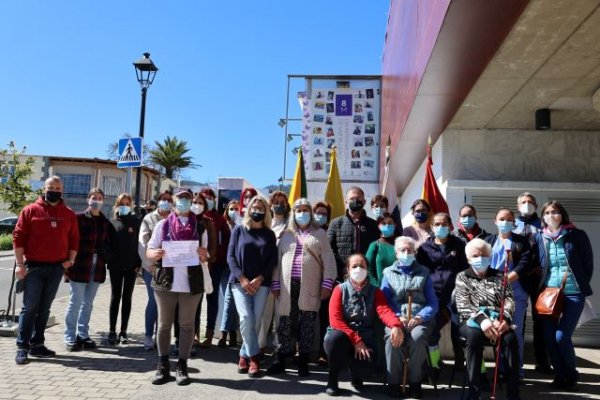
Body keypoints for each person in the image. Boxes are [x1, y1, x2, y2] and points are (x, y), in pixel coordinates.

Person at [13, 175, 79, 365]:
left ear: (62, 190)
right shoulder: (30, 210)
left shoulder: (68, 213)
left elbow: (74, 240)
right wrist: (19, 264)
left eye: (58, 188)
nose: (55, 191)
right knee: (30, 308)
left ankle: (37, 344)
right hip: (34, 267)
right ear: (44, 188)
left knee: (44, 309)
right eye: (52, 187)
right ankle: (22, 347)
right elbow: (18, 238)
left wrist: (70, 260)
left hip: (56, 269)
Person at [146, 187, 209, 385]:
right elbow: (149, 250)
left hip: (191, 284)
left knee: (187, 325)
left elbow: (206, 255)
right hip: (166, 282)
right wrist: (154, 254)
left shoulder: (200, 227)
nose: (184, 201)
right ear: (174, 201)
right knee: (164, 325)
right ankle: (163, 364)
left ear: (192, 202)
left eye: (187, 198)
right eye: (180, 198)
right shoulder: (163, 225)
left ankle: (182, 365)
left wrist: (203, 255)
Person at [267, 198, 337, 376]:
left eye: (306, 210)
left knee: (307, 324)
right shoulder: (286, 234)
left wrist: (327, 283)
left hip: (310, 286)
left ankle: (303, 361)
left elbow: (328, 260)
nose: (302, 213)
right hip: (286, 286)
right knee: (284, 323)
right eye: (299, 210)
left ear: (311, 213)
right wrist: (275, 282)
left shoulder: (320, 233)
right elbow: (277, 260)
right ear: (294, 213)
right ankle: (281, 359)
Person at [323, 253, 404, 396]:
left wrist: (396, 325)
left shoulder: (375, 292)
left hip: (365, 340)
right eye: (354, 266)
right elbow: (335, 320)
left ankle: (356, 374)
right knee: (334, 340)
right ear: (347, 269)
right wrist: (356, 340)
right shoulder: (339, 289)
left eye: (362, 266)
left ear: (367, 269)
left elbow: (384, 311)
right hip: (343, 336)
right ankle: (332, 378)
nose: (358, 269)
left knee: (367, 369)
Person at [535, 201, 593, 391]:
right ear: (543, 217)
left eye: (555, 212)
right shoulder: (539, 238)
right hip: (549, 294)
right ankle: (560, 374)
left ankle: (571, 374)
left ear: (563, 215)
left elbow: (587, 264)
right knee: (549, 337)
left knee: (562, 336)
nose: (551, 215)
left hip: (574, 293)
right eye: (548, 212)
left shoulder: (577, 235)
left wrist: (580, 282)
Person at [455, 238, 520, 400]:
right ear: (469, 258)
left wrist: (504, 319)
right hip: (471, 321)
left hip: (498, 321)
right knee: (474, 337)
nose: (480, 258)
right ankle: (474, 390)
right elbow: (463, 305)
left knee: (511, 339)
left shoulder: (500, 276)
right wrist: (483, 321)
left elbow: (510, 300)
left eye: (484, 254)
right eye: (476, 255)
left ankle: (513, 393)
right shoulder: (462, 277)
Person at [380, 236, 438, 398]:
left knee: (417, 338)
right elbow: (384, 301)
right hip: (395, 319)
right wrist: (397, 317)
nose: (406, 253)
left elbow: (433, 303)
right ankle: (393, 383)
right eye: (402, 250)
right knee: (393, 340)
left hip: (419, 319)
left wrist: (420, 317)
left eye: (410, 250)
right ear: (396, 253)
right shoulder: (388, 273)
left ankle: (415, 382)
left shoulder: (424, 272)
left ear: (415, 252)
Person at [228, 195, 277, 378]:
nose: (257, 211)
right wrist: (242, 279)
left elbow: (273, 259)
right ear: (248, 209)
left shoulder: (269, 234)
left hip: (261, 284)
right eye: (254, 207)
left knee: (256, 322)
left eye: (261, 208)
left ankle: (243, 355)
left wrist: (260, 278)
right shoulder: (239, 230)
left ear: (266, 212)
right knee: (246, 318)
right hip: (239, 283)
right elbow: (230, 257)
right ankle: (255, 357)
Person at [416, 212, 468, 373]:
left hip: (455, 293)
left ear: (450, 226)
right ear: (432, 227)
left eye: (444, 224)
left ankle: (461, 361)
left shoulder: (459, 244)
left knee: (459, 329)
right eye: (437, 224)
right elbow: (421, 271)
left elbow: (465, 269)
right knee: (432, 331)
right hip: (433, 295)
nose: (440, 227)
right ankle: (435, 363)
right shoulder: (425, 247)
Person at [64, 187, 112, 351]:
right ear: (88, 199)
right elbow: (69, 241)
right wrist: (67, 263)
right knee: (75, 302)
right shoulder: (78, 218)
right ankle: (70, 336)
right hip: (79, 265)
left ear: (103, 200)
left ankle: (82, 334)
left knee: (88, 303)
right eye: (93, 197)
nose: (96, 200)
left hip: (97, 265)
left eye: (99, 197)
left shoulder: (105, 222)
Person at [484, 207, 530, 380]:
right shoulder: (488, 240)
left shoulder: (521, 241)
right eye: (501, 219)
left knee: (514, 331)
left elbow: (524, 263)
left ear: (514, 222)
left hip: (515, 292)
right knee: (497, 331)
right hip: (492, 294)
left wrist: (508, 278)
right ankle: (502, 369)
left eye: (509, 219)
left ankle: (517, 372)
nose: (505, 222)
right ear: (495, 221)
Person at [513, 192, 551, 374]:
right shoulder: (513, 224)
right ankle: (516, 360)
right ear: (518, 205)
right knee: (518, 319)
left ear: (536, 205)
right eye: (523, 202)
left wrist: (540, 268)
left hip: (538, 278)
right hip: (518, 277)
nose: (526, 204)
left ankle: (542, 361)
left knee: (540, 320)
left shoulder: (543, 224)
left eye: (530, 202)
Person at [138, 190, 173, 350]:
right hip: (152, 268)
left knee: (166, 305)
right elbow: (143, 243)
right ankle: (148, 336)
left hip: (171, 268)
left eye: (169, 200)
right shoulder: (149, 219)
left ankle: (162, 337)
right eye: (163, 199)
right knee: (154, 302)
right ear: (158, 201)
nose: (166, 202)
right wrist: (149, 264)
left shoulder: (175, 218)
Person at [108, 193, 142, 345]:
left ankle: (123, 331)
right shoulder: (112, 222)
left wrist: (138, 264)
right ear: (117, 204)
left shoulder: (136, 221)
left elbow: (140, 244)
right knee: (115, 297)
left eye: (128, 203)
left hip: (131, 266)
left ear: (131, 205)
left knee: (127, 298)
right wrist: (110, 259)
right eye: (122, 203)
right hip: (115, 266)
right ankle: (111, 331)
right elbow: (107, 244)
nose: (125, 205)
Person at [258, 190, 290, 352]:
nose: (279, 205)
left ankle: (280, 348)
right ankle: (260, 346)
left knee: (281, 313)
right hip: (265, 275)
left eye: (282, 203)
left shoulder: (291, 225)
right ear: (270, 205)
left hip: (284, 277)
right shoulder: (264, 224)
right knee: (264, 313)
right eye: (275, 202)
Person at [199, 187, 231, 348]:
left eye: (211, 197)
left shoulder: (220, 219)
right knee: (196, 299)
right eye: (205, 197)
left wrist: (218, 257)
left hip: (216, 265)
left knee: (212, 298)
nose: (208, 200)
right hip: (197, 265)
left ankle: (209, 335)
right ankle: (195, 335)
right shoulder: (195, 217)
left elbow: (227, 240)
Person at [327, 186, 380, 281]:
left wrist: (368, 269)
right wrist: (343, 268)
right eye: (352, 199)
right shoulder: (335, 223)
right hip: (342, 277)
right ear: (346, 202)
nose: (355, 201)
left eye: (358, 199)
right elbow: (329, 249)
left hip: (367, 276)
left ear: (364, 202)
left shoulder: (374, 225)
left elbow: (377, 250)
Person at [218, 200, 241, 347]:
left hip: (237, 269)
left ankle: (226, 333)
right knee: (227, 300)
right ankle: (229, 333)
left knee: (231, 301)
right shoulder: (223, 225)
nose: (234, 211)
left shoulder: (242, 227)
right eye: (231, 209)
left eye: (236, 209)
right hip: (223, 267)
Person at [365, 213, 399, 288]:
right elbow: (367, 270)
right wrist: (378, 288)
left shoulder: (402, 243)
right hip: (382, 290)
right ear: (379, 226)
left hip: (402, 291)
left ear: (395, 225)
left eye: (390, 223)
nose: (387, 225)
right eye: (383, 223)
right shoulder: (374, 246)